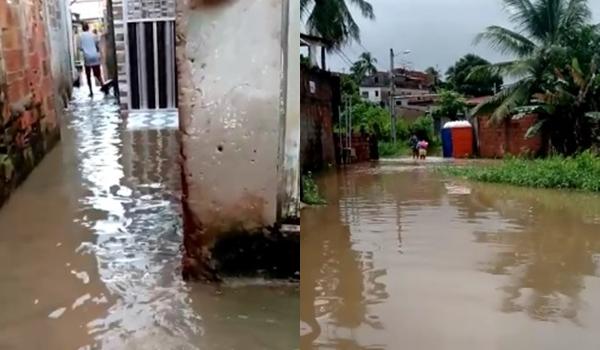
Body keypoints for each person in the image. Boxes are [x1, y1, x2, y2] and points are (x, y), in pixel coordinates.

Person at [78, 22, 104, 97]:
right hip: (95, 56)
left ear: (82, 28)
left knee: (88, 75)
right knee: (98, 74)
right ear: (88, 28)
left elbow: (79, 47)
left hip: (87, 57)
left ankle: (91, 91)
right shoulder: (93, 35)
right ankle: (103, 85)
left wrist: (85, 49)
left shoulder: (80, 36)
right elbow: (97, 43)